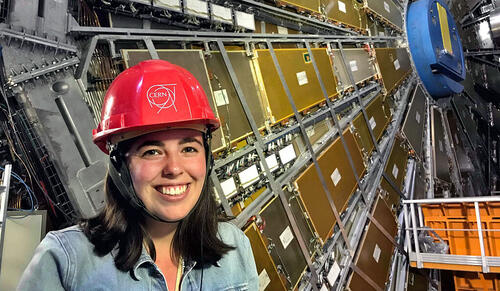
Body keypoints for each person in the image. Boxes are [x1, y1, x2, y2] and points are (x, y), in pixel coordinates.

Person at [18, 60, 259, 290]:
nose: (174, 168)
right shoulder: (66, 262)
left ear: (207, 159)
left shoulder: (235, 248)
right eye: (152, 151)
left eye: (188, 149)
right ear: (119, 164)